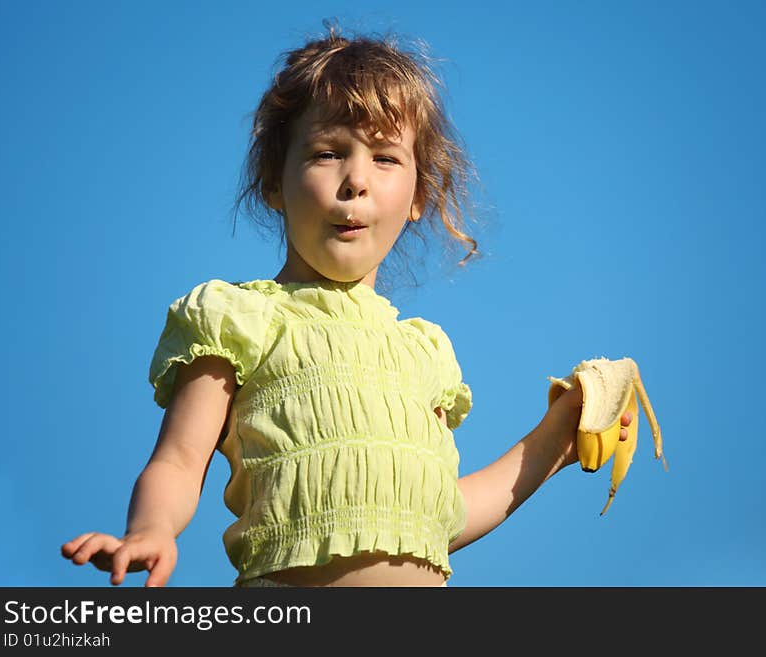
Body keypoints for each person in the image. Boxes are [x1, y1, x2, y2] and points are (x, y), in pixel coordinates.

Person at [61, 23, 632, 588]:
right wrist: (151, 530)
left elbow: (440, 519)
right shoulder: (238, 320)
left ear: (419, 196)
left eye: (385, 158)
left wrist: (557, 437)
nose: (356, 179)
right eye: (328, 152)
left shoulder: (423, 354)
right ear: (273, 182)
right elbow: (180, 462)